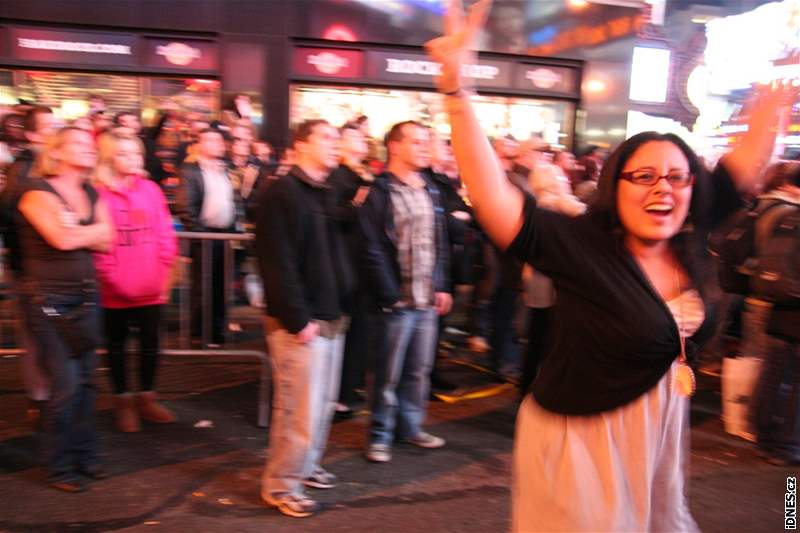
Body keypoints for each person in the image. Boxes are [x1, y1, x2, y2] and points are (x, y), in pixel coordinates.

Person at [425, 1, 794, 530]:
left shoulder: (688, 234)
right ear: (614, 187)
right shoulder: (580, 244)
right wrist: (458, 92)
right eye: (642, 177)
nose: (661, 188)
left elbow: (751, 159)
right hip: (582, 437)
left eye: (676, 177)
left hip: (658, 431)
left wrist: (780, 89)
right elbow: (493, 198)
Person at [255, 119, 353, 518]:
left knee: (321, 405)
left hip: (331, 315)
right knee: (299, 410)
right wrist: (298, 318)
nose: (336, 144)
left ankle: (307, 466)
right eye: (326, 138)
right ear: (300, 145)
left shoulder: (324, 192)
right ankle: (281, 485)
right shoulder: (282, 192)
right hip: (302, 322)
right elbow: (277, 262)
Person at [16, 126, 114, 492]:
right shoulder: (35, 192)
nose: (89, 149)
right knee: (66, 385)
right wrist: (86, 233)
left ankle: (85, 455)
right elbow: (62, 237)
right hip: (48, 301)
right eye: (78, 143)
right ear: (55, 153)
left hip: (86, 296)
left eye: (90, 144)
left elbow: (110, 239)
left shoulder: (91, 191)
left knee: (88, 381)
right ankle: (59, 465)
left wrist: (79, 232)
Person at [360, 120, 452, 463]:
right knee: (387, 373)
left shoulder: (431, 189)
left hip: (426, 299)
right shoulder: (380, 191)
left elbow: (438, 242)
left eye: (426, 141)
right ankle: (379, 436)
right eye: (416, 142)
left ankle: (410, 428)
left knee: (418, 370)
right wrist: (389, 294)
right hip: (396, 301)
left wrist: (442, 284)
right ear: (395, 147)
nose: (424, 147)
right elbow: (371, 247)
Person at [92, 132, 178, 433]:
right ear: (109, 157)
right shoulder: (99, 193)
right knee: (116, 346)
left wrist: (164, 267)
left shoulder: (151, 190)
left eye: (136, 153)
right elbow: (100, 243)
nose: (133, 158)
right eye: (124, 153)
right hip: (114, 289)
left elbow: (165, 230)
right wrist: (111, 277)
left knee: (151, 344)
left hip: (150, 285)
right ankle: (123, 401)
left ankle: (146, 397)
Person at [0, 105, 57, 426]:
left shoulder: (56, 165)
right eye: (48, 127)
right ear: (33, 135)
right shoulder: (22, 170)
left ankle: (54, 397)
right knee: (35, 336)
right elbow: (7, 215)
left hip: (55, 266)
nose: (55, 131)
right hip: (29, 267)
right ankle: (39, 399)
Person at [176, 127, 241, 346]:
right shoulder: (190, 171)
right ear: (199, 145)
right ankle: (198, 333)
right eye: (209, 140)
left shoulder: (228, 170)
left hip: (225, 235)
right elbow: (185, 205)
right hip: (204, 236)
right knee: (202, 287)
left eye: (218, 140)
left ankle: (217, 330)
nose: (215, 144)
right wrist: (197, 232)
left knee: (221, 287)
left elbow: (235, 200)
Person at [328, 124, 375, 417]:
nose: (362, 141)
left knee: (361, 328)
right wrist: (357, 204)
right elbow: (333, 215)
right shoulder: (337, 176)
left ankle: (352, 384)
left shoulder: (364, 174)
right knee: (347, 328)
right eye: (353, 137)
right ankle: (340, 393)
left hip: (364, 261)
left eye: (362, 137)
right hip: (346, 262)